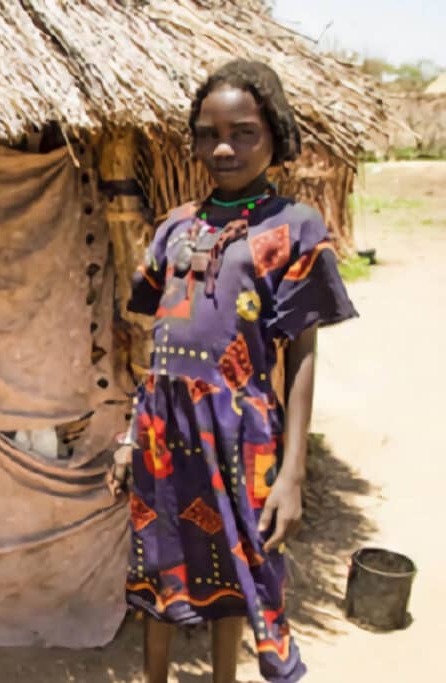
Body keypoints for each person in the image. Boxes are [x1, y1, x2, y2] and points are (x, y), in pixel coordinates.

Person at [107, 60, 358, 683]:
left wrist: (293, 471)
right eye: (207, 133)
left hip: (240, 431)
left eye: (243, 132)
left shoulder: (294, 227)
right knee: (160, 559)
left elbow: (301, 356)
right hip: (164, 429)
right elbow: (154, 343)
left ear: (274, 133)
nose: (223, 147)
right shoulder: (174, 227)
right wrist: (128, 436)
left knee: (238, 563)